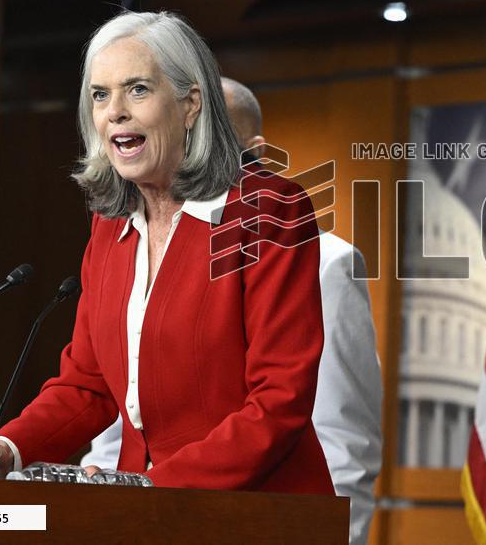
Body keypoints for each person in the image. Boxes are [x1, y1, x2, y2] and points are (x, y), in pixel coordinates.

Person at [0, 11, 333, 494]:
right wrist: (7, 448)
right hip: (141, 511)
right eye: (100, 95)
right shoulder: (110, 226)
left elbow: (280, 399)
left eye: (138, 90)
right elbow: (88, 384)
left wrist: (152, 486)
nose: (115, 112)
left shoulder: (267, 210)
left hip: (255, 511)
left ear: (191, 103)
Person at [82, 77, 383, 544]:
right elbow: (121, 411)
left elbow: (344, 441)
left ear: (254, 149)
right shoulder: (139, 241)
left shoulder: (323, 260)